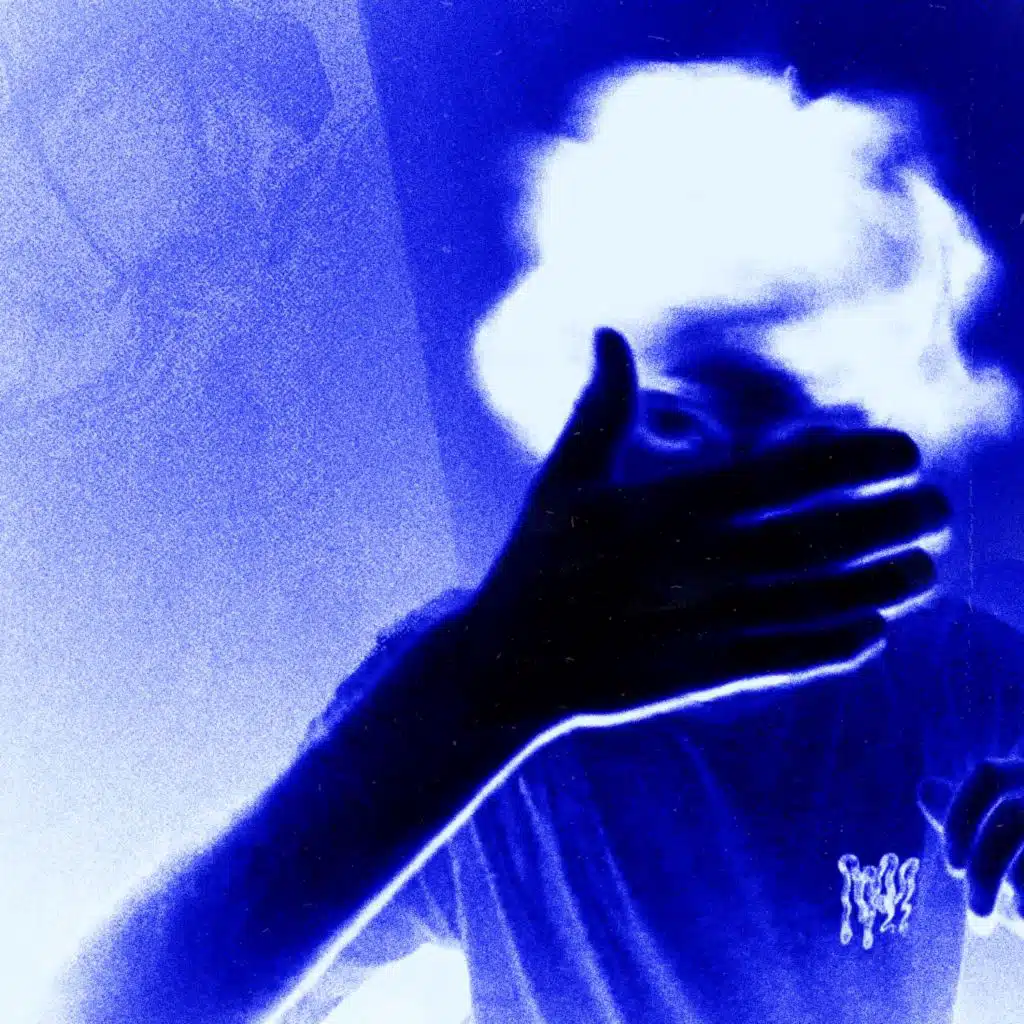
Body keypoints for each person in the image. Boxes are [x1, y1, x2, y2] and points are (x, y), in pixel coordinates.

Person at [45, 64, 1024, 1024]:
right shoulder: (474, 704)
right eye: (678, 421)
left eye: (797, 435)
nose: (734, 482)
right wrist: (485, 688)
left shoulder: (951, 675)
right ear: (582, 428)